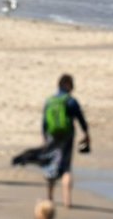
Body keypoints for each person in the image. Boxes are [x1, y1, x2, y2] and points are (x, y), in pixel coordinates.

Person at [41, 74, 89, 209]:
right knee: (66, 168)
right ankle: (67, 201)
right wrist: (86, 133)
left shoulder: (49, 101)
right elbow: (80, 119)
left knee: (51, 164)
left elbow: (44, 122)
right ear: (68, 85)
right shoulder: (71, 101)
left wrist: (45, 137)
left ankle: (50, 198)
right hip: (67, 135)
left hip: (52, 135)